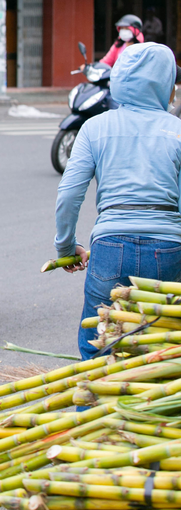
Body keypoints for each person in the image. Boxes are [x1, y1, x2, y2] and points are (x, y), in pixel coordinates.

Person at [54, 42, 181, 360]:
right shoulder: (178, 131)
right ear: (165, 85)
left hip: (110, 247)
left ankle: (92, 407)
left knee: (97, 348)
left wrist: (66, 248)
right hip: (169, 251)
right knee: (161, 350)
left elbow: (69, 195)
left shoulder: (95, 127)